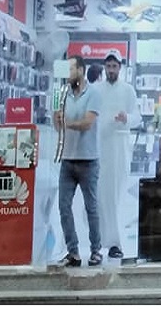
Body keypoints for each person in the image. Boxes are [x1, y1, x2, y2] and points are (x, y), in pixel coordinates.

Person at [54, 54, 104, 268]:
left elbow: (87, 123)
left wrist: (67, 123)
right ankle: (73, 252)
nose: (68, 74)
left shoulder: (93, 93)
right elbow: (57, 126)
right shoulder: (61, 94)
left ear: (81, 71)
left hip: (88, 160)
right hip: (67, 160)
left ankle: (96, 250)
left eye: (71, 69)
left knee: (91, 207)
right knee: (64, 207)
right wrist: (58, 119)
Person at [93, 48, 141, 260]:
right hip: (101, 146)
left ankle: (116, 242)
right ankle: (100, 241)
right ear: (104, 67)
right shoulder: (96, 90)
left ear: (120, 68)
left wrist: (126, 119)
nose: (111, 70)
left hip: (120, 146)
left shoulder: (128, 90)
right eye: (108, 66)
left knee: (118, 195)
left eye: (114, 66)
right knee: (101, 195)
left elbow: (137, 117)